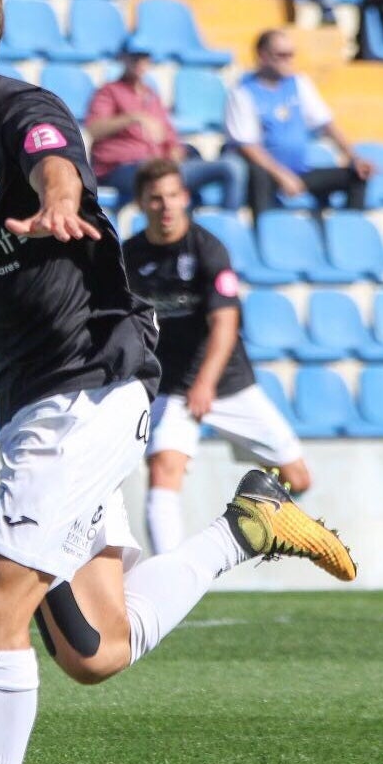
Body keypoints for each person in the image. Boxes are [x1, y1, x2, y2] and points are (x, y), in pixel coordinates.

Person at [0, 0, 356, 764]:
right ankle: (243, 531)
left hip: (87, 384)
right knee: (92, 649)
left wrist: (59, 194)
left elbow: (50, 158)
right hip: (31, 399)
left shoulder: (28, 113)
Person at [122, 160, 312, 555]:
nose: (166, 206)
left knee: (298, 478)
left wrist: (206, 384)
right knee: (163, 469)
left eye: (173, 196)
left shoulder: (208, 249)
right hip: (171, 386)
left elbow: (225, 324)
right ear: (141, 203)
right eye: (155, 198)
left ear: (186, 199)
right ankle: (167, 577)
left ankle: (247, 529)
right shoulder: (129, 256)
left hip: (226, 383)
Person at [226, 29, 373, 212]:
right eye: (282, 55)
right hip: (268, 174)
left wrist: (354, 157)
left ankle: (351, 232)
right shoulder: (243, 92)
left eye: (291, 55)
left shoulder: (299, 83)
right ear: (263, 56)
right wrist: (281, 175)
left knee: (356, 176)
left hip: (298, 172)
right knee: (258, 175)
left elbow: (326, 124)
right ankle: (264, 231)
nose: (289, 60)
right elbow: (247, 146)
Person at [84, 46, 249, 209]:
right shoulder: (108, 91)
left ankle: (227, 226)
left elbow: (169, 135)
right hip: (123, 169)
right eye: (135, 58)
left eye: (145, 58)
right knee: (156, 175)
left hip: (162, 166)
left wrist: (175, 149)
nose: (140, 63)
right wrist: (132, 118)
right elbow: (94, 129)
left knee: (232, 166)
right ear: (124, 60)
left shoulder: (151, 95)